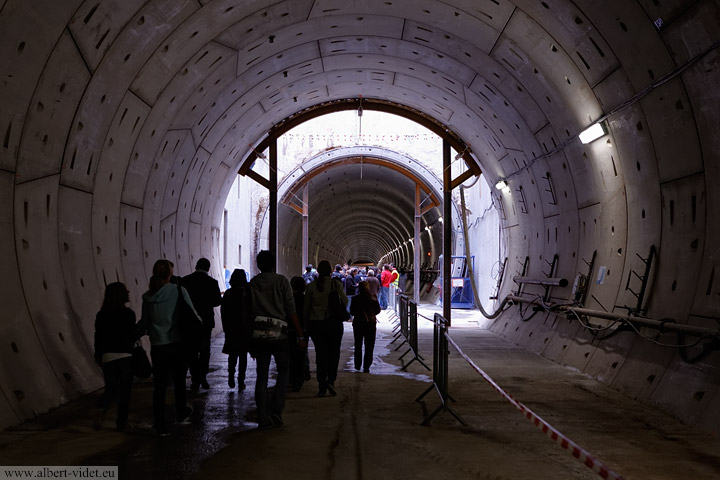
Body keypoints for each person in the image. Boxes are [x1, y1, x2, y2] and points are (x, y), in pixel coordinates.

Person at [141, 259, 201, 436]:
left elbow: (145, 322)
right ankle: (181, 412)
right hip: (177, 343)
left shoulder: (148, 296)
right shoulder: (178, 291)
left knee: (159, 385)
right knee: (179, 380)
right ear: (169, 274)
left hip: (158, 345)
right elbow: (192, 314)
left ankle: (159, 424)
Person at [249, 250, 306, 428]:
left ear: (259, 265)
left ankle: (262, 416)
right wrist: (300, 334)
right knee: (283, 372)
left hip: (258, 334)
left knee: (262, 375)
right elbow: (291, 310)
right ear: (273, 264)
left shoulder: (252, 284)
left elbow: (248, 311)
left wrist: (249, 339)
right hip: (279, 333)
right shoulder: (282, 282)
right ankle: (276, 409)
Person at [93, 282, 137, 431]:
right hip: (125, 355)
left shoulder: (101, 314)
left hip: (108, 356)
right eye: (126, 291)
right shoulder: (129, 314)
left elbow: (98, 336)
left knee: (111, 388)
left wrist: (98, 355)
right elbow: (132, 335)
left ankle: (101, 409)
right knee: (125, 391)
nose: (128, 292)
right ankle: (122, 422)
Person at [304, 260, 348, 396]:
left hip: (317, 324)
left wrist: (305, 325)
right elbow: (345, 301)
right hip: (334, 323)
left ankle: (321, 385)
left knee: (320, 354)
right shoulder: (336, 284)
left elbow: (306, 307)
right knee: (334, 353)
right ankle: (331, 381)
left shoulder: (311, 286)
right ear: (330, 270)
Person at [182, 258, 222, 390]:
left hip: (189, 321)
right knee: (205, 350)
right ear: (208, 268)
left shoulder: (185, 280)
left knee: (192, 350)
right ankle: (203, 378)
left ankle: (194, 379)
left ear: (196, 266)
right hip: (206, 321)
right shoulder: (212, 282)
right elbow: (217, 301)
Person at [221, 269, 251, 390]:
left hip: (232, 329)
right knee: (243, 356)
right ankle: (241, 380)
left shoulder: (228, 293)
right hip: (244, 329)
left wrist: (226, 328)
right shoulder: (247, 294)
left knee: (232, 355)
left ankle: (230, 377)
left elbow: (223, 312)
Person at [350, 281, 381, 373]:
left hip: (358, 323)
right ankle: (367, 366)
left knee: (358, 344)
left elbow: (352, 311)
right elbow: (377, 310)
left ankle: (357, 365)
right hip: (370, 323)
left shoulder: (355, 299)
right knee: (369, 345)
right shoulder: (373, 298)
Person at [289, 276, 309, 391]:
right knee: (301, 354)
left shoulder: (289, 299)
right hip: (303, 330)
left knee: (291, 354)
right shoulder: (305, 298)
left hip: (290, 330)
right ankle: (300, 378)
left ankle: (292, 378)